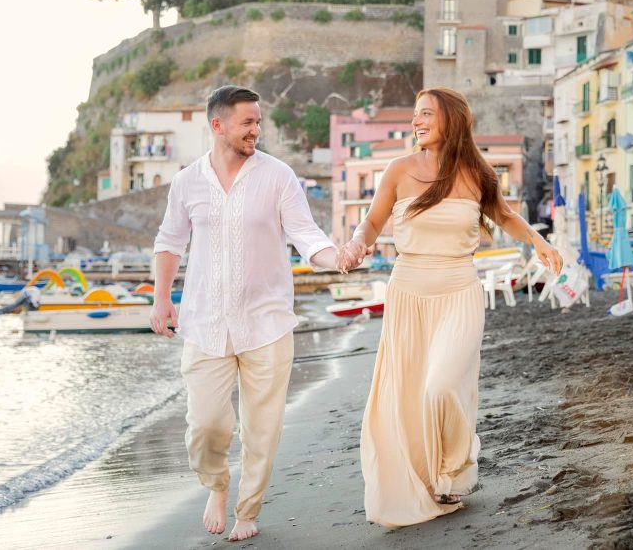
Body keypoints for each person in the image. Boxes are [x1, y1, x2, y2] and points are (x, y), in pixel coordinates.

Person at [337, 87, 562, 528]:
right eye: (415, 114)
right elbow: (373, 221)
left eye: (426, 114)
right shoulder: (399, 169)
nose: (416, 121)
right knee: (410, 394)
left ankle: (455, 469)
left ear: (451, 120)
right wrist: (356, 243)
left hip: (459, 290)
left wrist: (539, 241)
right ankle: (431, 478)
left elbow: (505, 215)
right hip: (408, 291)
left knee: (441, 387)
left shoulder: (477, 173)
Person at [150, 85, 337, 541]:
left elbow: (305, 234)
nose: (256, 130)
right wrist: (161, 298)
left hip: (267, 323)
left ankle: (247, 510)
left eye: (258, 121)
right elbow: (170, 241)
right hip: (204, 323)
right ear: (218, 125)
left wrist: (338, 257)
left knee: (262, 430)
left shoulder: (278, 176)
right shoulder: (186, 182)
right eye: (247, 122)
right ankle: (216, 483)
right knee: (205, 426)